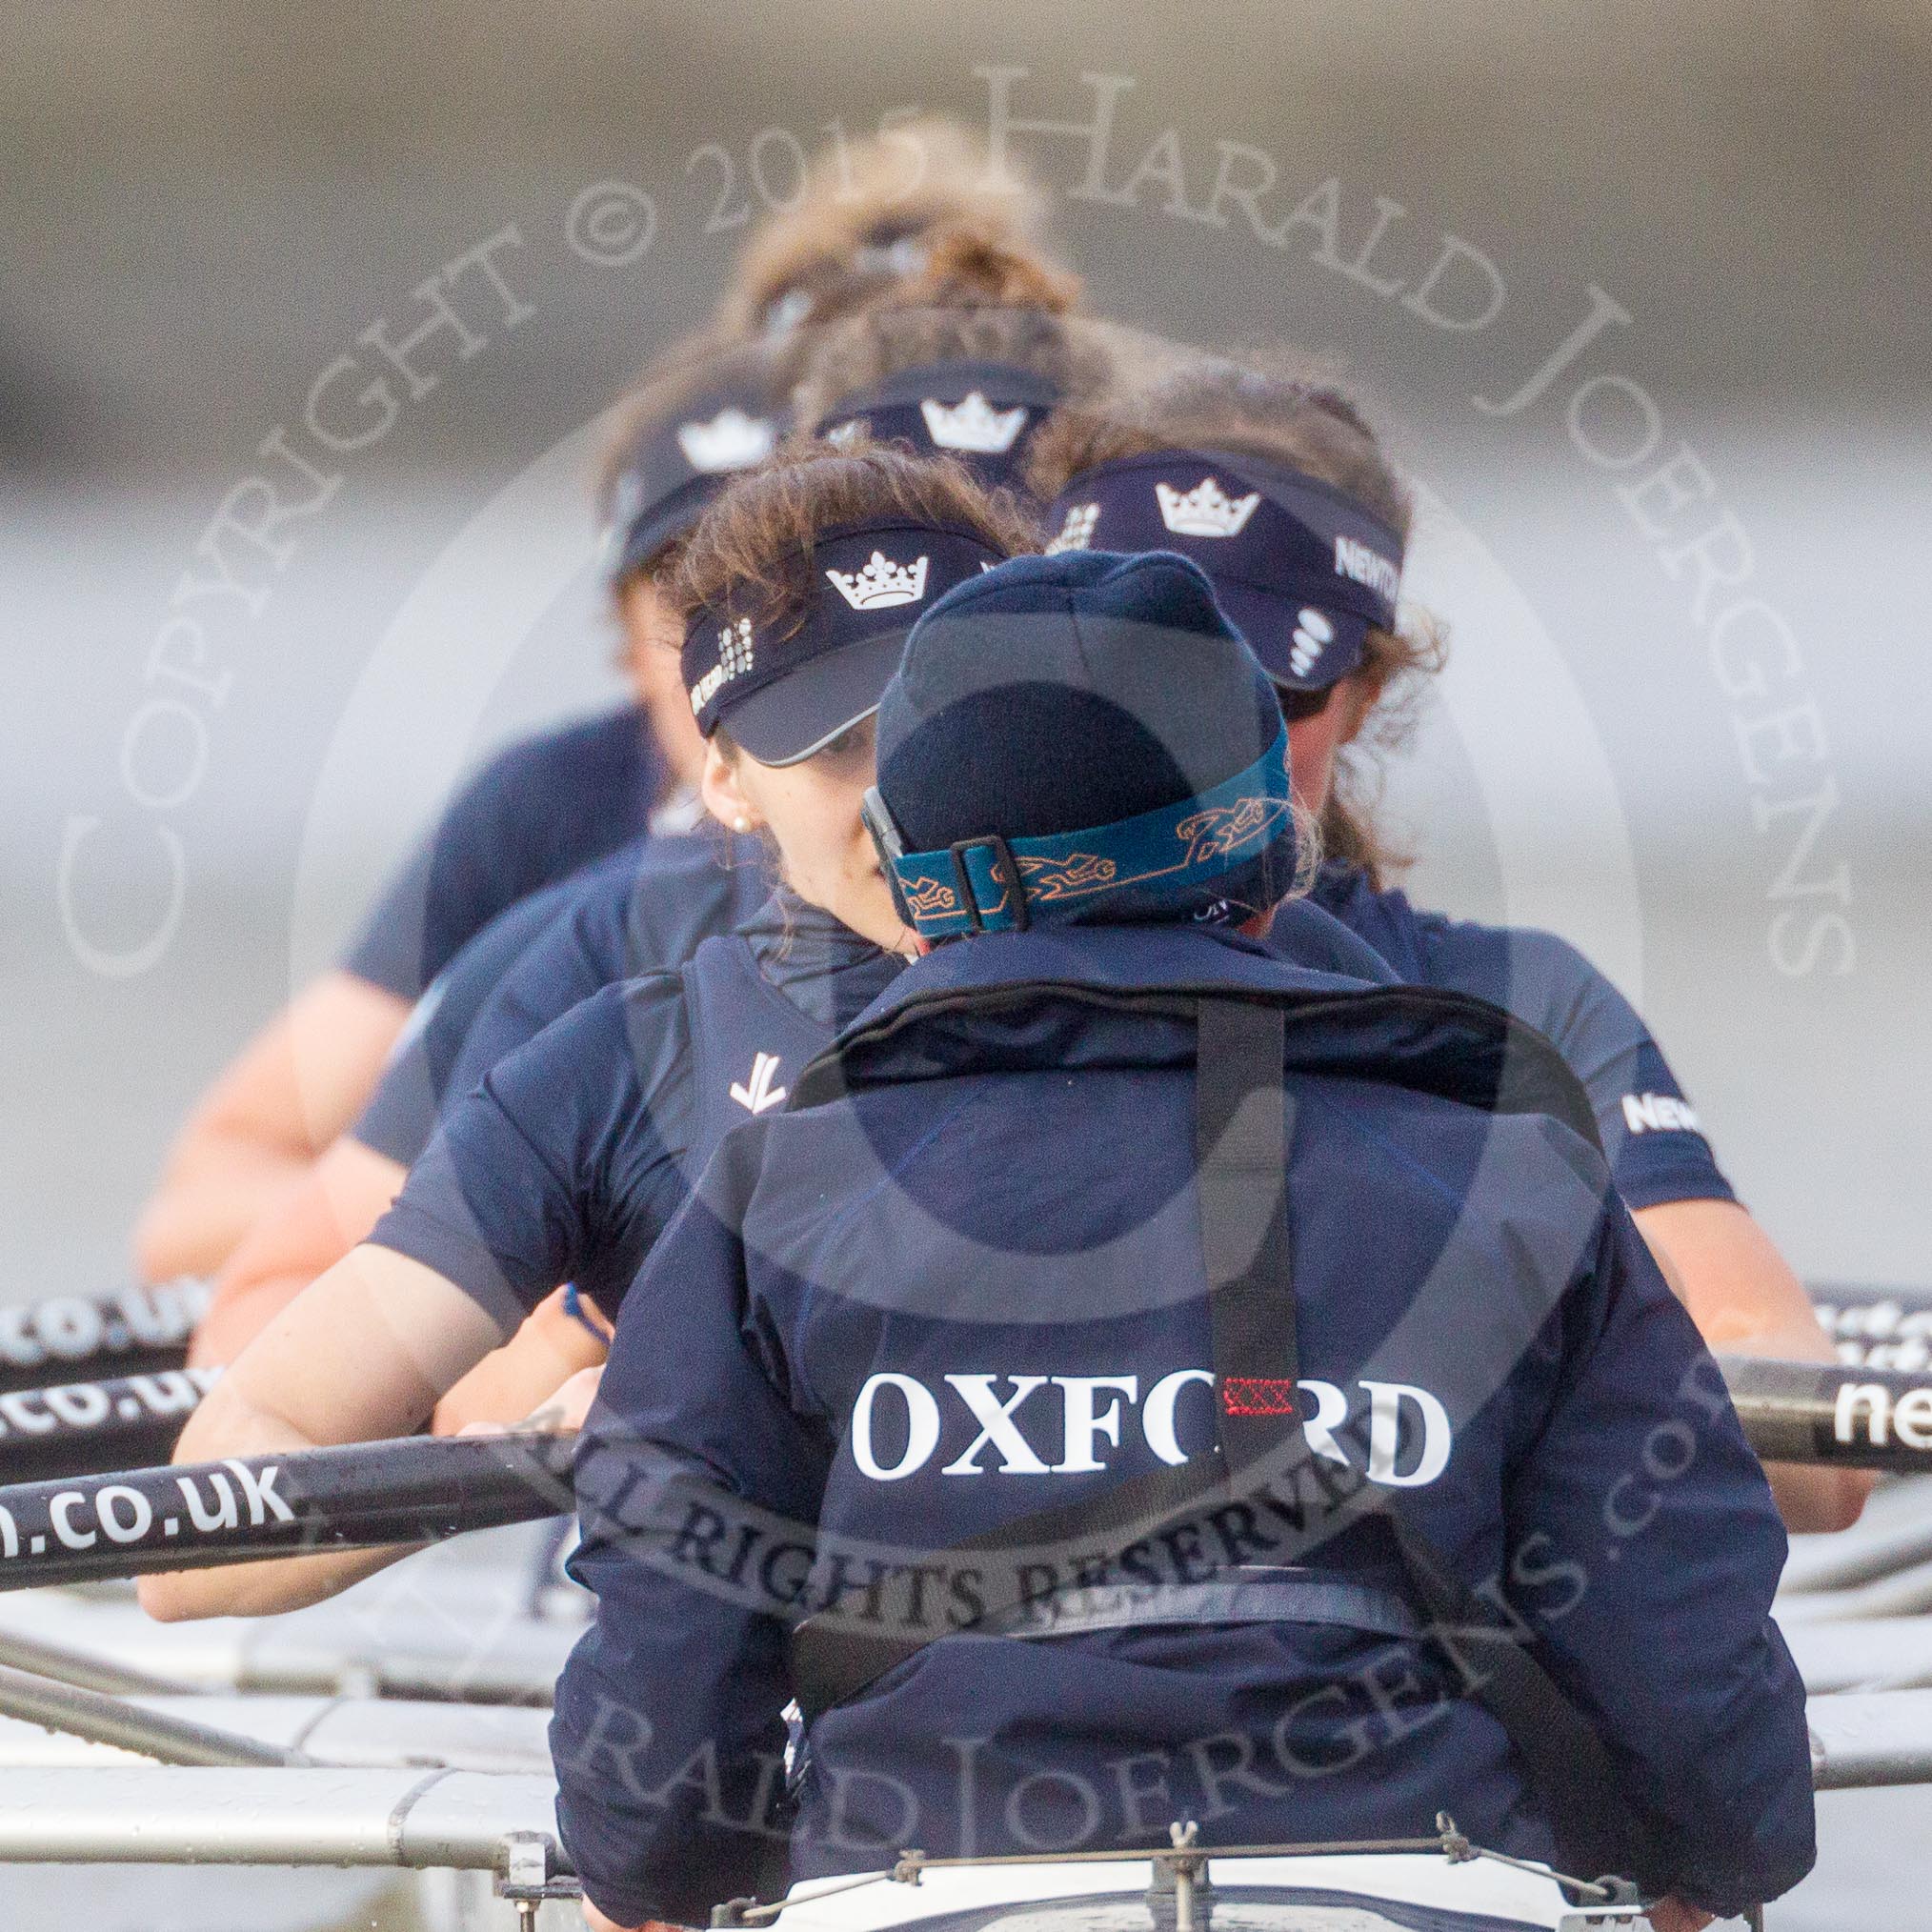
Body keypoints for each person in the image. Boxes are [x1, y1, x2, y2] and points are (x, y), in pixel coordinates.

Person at [551, 548, 1814, 1932]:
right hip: (1415, 1884)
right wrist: (1704, 1868)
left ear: (918, 892)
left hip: (918, 1884)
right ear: (1275, 852)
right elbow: (1697, 1698)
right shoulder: (1510, 1168)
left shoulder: (774, 1188)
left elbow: (658, 1732)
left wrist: (659, 1870)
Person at [142, 437, 1040, 1619]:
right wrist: (537, 1444)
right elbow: (191, 1546)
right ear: (722, 781)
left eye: (941, 725)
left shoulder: (1244, 1010)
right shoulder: (613, 1070)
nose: (899, 803)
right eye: (834, 749)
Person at [1025, 355, 1868, 1532]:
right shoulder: (886, 969)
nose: (1209, 745)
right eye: (1154, 687)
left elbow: (1821, 1467)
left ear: (1366, 694)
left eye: (1269, 692)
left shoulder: (1515, 1002)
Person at [132, 336, 787, 1286]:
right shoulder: (542, 809)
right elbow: (194, 1211)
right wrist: (495, 1204)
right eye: (692, 596)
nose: (736, 644)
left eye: (778, 585)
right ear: (625, 632)